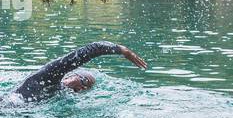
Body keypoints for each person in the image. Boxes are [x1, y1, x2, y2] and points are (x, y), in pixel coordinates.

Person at [13, 41, 148, 101]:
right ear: (71, 73)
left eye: (86, 88)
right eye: (83, 81)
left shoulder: (57, 95)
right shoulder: (48, 77)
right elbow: (89, 50)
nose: (81, 88)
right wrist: (121, 50)